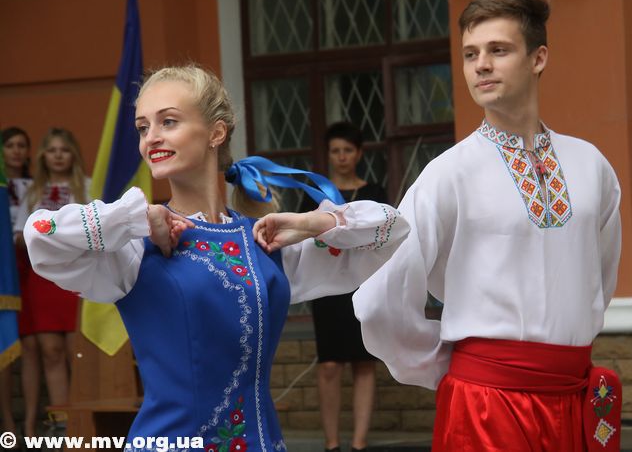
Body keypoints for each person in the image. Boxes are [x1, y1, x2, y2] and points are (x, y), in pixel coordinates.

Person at [22, 65, 409, 452]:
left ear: (216, 132)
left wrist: (314, 222)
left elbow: (393, 230)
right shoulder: (136, 245)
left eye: (168, 121)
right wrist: (138, 218)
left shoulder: (266, 241)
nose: (151, 137)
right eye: (142, 127)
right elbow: (41, 233)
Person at [353, 0, 622, 452]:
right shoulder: (449, 173)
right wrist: (443, 366)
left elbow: (600, 276)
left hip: (573, 397)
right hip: (486, 404)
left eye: (498, 50)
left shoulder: (590, 164)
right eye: (470, 54)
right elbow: (381, 297)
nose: (481, 65)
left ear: (538, 58)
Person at [300, 122, 386, 452]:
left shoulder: (375, 192)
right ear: (328, 154)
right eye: (335, 151)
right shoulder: (317, 194)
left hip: (366, 286)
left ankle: (359, 444)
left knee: (364, 362)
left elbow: (383, 236)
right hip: (327, 288)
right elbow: (305, 235)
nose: (341, 157)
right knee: (330, 364)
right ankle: (332, 444)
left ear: (359, 153)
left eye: (348, 150)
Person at [14, 128, 89, 436]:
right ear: (43, 156)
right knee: (50, 351)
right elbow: (18, 236)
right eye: (52, 150)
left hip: (78, 274)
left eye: (65, 149)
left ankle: (84, 421)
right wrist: (39, 237)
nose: (58, 156)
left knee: (76, 350)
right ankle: (61, 423)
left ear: (74, 155)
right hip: (43, 277)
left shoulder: (87, 187)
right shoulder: (33, 191)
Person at [1, 127, 33, 438]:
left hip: (28, 264)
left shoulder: (37, 186)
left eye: (21, 145)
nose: (16, 151)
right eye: (9, 145)